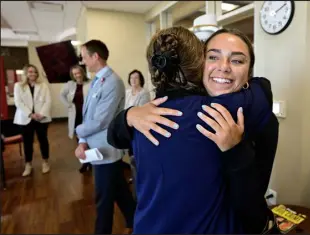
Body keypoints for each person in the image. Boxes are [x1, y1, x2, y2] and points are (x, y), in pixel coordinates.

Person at [108, 28, 280, 234]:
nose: (224, 67)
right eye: (213, 57)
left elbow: (253, 203)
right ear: (199, 64)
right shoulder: (156, 113)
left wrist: (236, 151)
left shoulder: (261, 120)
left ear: (249, 73)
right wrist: (128, 116)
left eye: (237, 60)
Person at [74, 39, 136, 234]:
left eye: (84, 57)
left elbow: (101, 121)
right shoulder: (96, 81)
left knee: (103, 199)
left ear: (95, 57)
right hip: (95, 148)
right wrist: (83, 141)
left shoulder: (113, 82)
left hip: (106, 151)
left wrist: (78, 132)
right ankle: (136, 221)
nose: (82, 62)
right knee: (118, 190)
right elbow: (87, 114)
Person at [13, 64, 52, 177]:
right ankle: (28, 164)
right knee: (27, 142)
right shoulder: (18, 86)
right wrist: (30, 114)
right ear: (25, 73)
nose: (33, 74)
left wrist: (41, 114)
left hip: (41, 118)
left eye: (35, 72)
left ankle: (45, 162)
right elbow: (18, 102)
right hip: (26, 118)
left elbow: (48, 101)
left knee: (43, 140)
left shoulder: (43, 85)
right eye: (30, 72)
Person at [60, 65, 92, 173]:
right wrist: (69, 105)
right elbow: (61, 95)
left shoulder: (90, 83)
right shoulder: (70, 84)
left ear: (82, 72)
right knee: (79, 139)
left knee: (90, 137)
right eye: (75, 74)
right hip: (75, 115)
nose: (77, 75)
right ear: (72, 75)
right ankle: (84, 162)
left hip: (88, 114)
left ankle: (92, 160)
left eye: (78, 73)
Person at [124, 69, 150, 189]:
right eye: (131, 78)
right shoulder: (127, 92)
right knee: (130, 153)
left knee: (137, 153)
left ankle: (141, 177)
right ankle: (134, 175)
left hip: (138, 128)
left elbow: (140, 111)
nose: (133, 80)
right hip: (127, 126)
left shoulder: (144, 93)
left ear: (141, 80)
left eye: (136, 78)